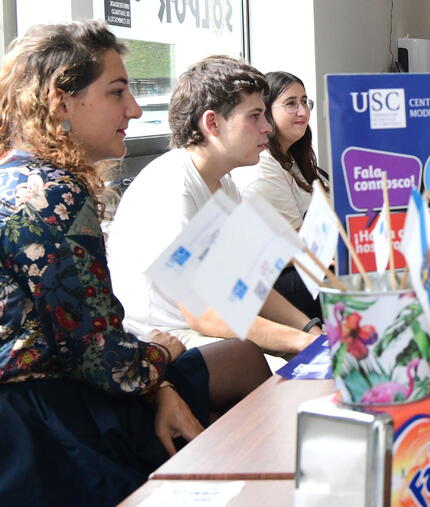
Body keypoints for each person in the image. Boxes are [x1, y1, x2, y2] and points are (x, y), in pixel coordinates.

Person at [0, 21, 270, 505]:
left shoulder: (226, 186)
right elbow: (98, 351)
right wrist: (159, 364)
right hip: (42, 416)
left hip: (61, 388)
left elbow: (248, 280)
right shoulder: (59, 194)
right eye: (117, 92)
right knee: (240, 359)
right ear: (61, 100)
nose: (135, 109)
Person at [107, 57, 323, 370]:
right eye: (255, 116)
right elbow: (203, 313)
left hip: (200, 332)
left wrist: (309, 331)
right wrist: (301, 342)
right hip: (164, 340)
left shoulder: (225, 184)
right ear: (212, 124)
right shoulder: (173, 187)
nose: (267, 127)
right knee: (253, 361)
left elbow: (249, 284)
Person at [231, 71, 329, 319]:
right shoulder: (263, 167)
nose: (303, 111)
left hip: (304, 263)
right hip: (277, 279)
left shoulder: (295, 159)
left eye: (305, 101)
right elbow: (297, 245)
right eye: (291, 103)